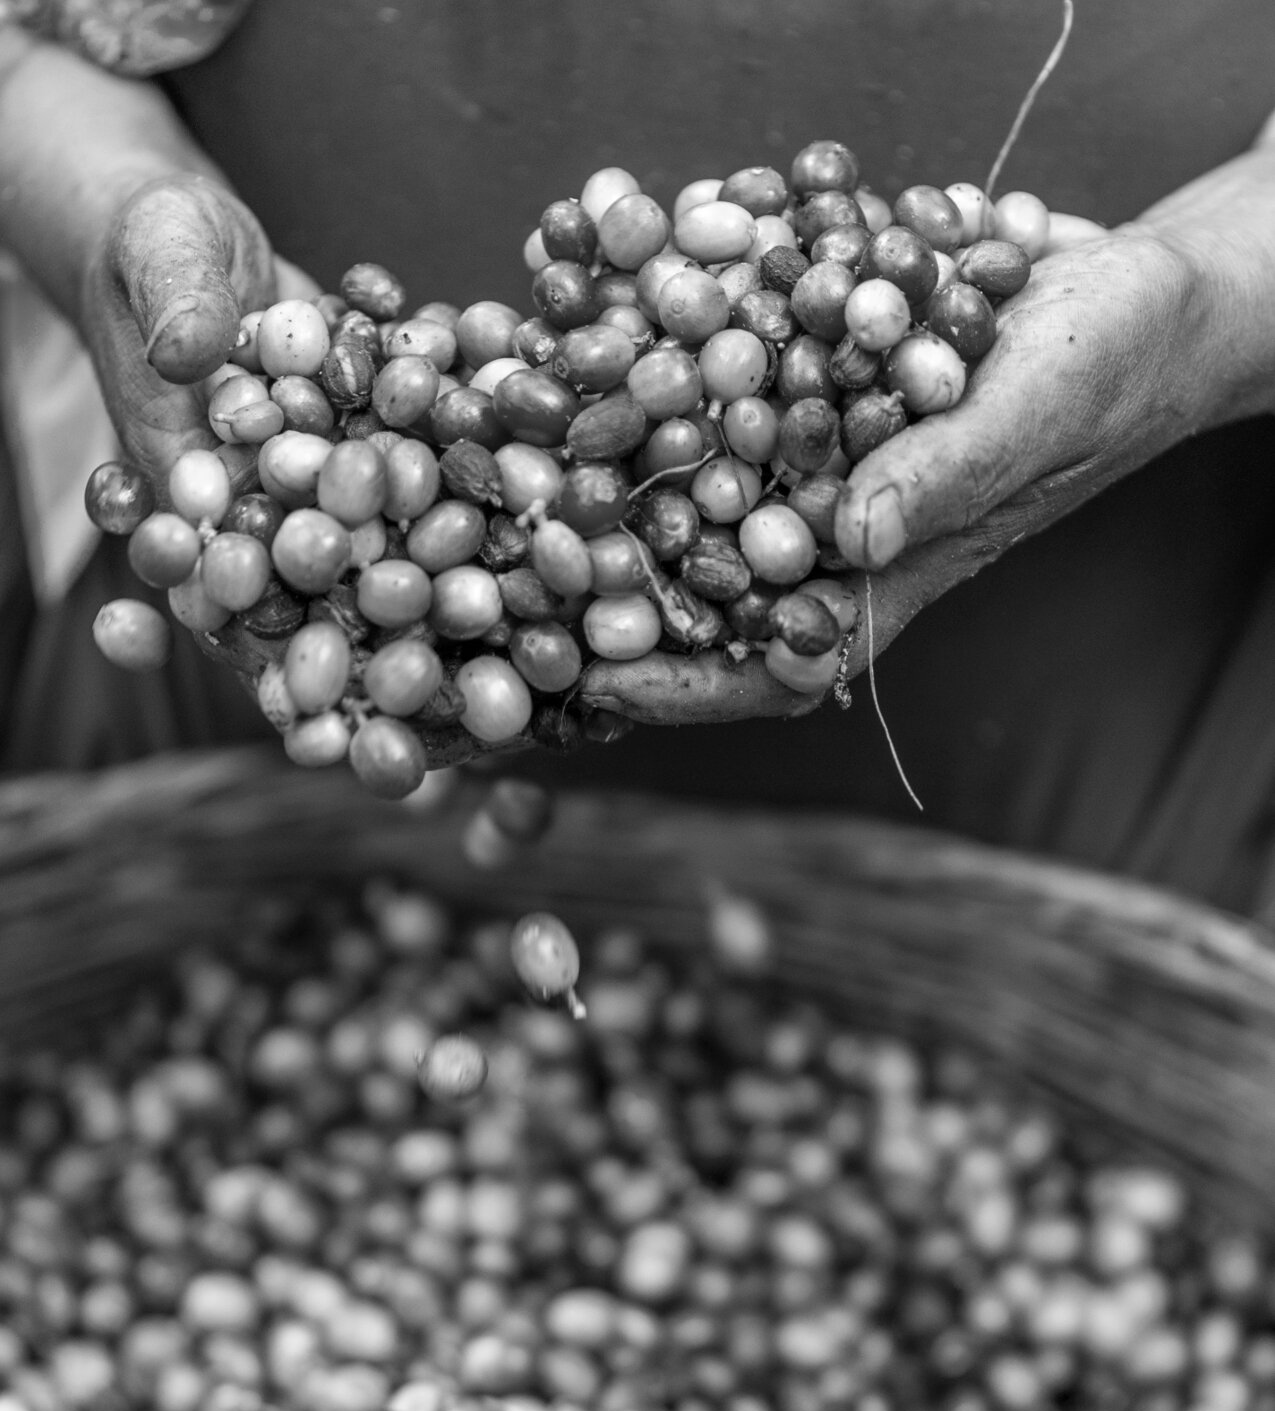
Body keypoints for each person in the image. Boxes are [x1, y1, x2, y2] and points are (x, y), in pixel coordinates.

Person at [2, 0, 1274, 911]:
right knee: (231, 957)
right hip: (243, 698)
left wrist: (1210, 294)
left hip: (1087, 737)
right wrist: (109, 195)